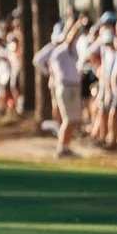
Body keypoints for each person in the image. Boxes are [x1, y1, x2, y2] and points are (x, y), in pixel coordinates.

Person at [34, 16, 85, 158]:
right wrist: (77, 25)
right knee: (69, 119)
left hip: (69, 86)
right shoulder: (61, 50)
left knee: (72, 119)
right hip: (67, 87)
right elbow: (70, 39)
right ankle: (62, 148)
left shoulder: (61, 51)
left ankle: (65, 147)